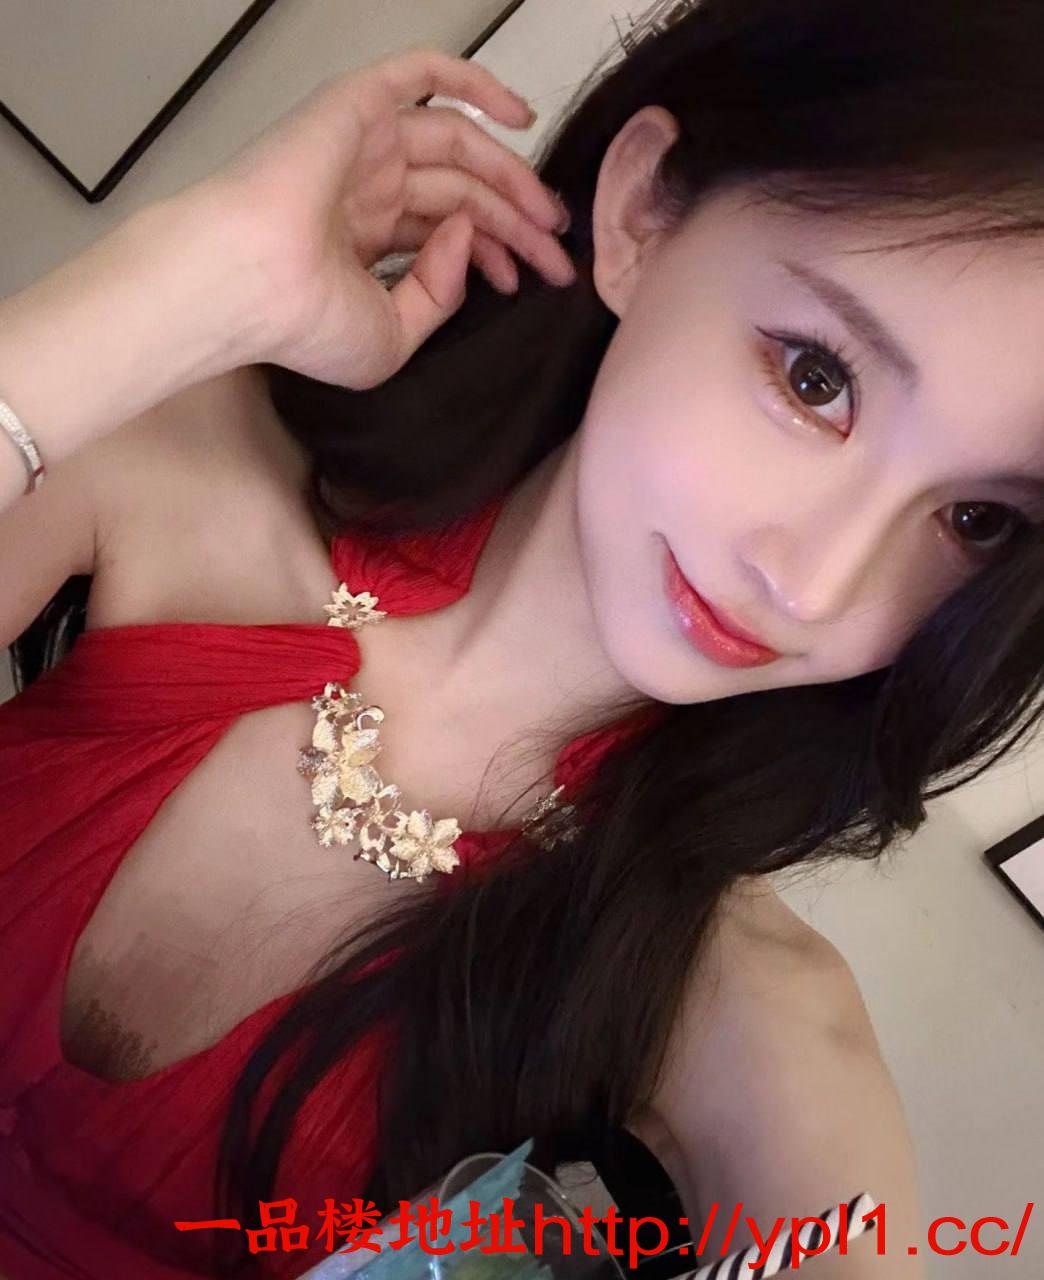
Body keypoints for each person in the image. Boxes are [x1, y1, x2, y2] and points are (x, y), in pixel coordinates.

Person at [3, 0, 1042, 1273]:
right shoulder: (195, 462)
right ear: (642, 213)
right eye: (815, 377)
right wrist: (186, 279)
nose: (815, 585)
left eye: (978, 520)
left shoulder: (732, 1005)